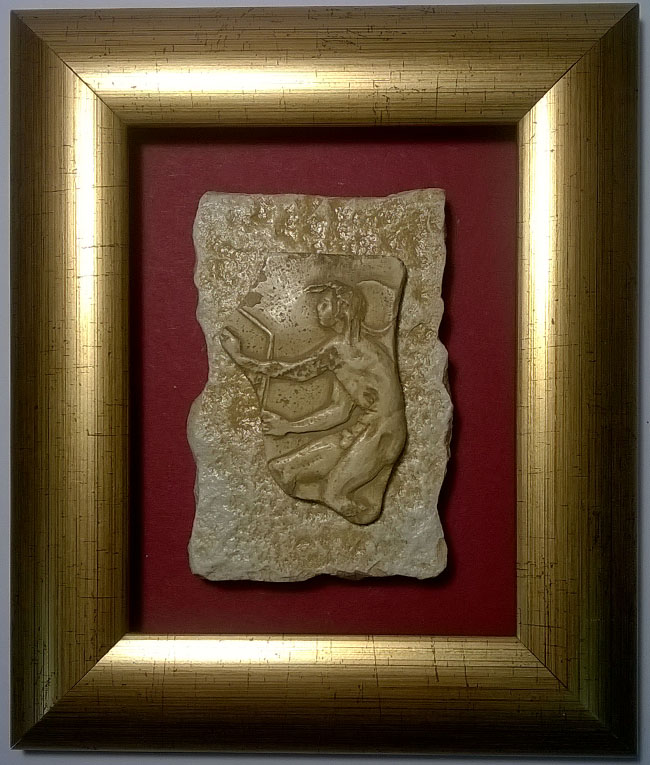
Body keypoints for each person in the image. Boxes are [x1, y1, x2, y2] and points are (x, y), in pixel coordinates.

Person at [220, 280, 406, 525]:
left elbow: (293, 372)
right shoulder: (348, 356)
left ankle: (353, 533)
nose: (318, 308)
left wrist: (240, 357)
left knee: (333, 494)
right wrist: (288, 426)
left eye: (325, 304)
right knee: (283, 470)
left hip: (383, 433)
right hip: (364, 431)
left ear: (342, 308)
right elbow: (339, 412)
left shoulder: (340, 350)